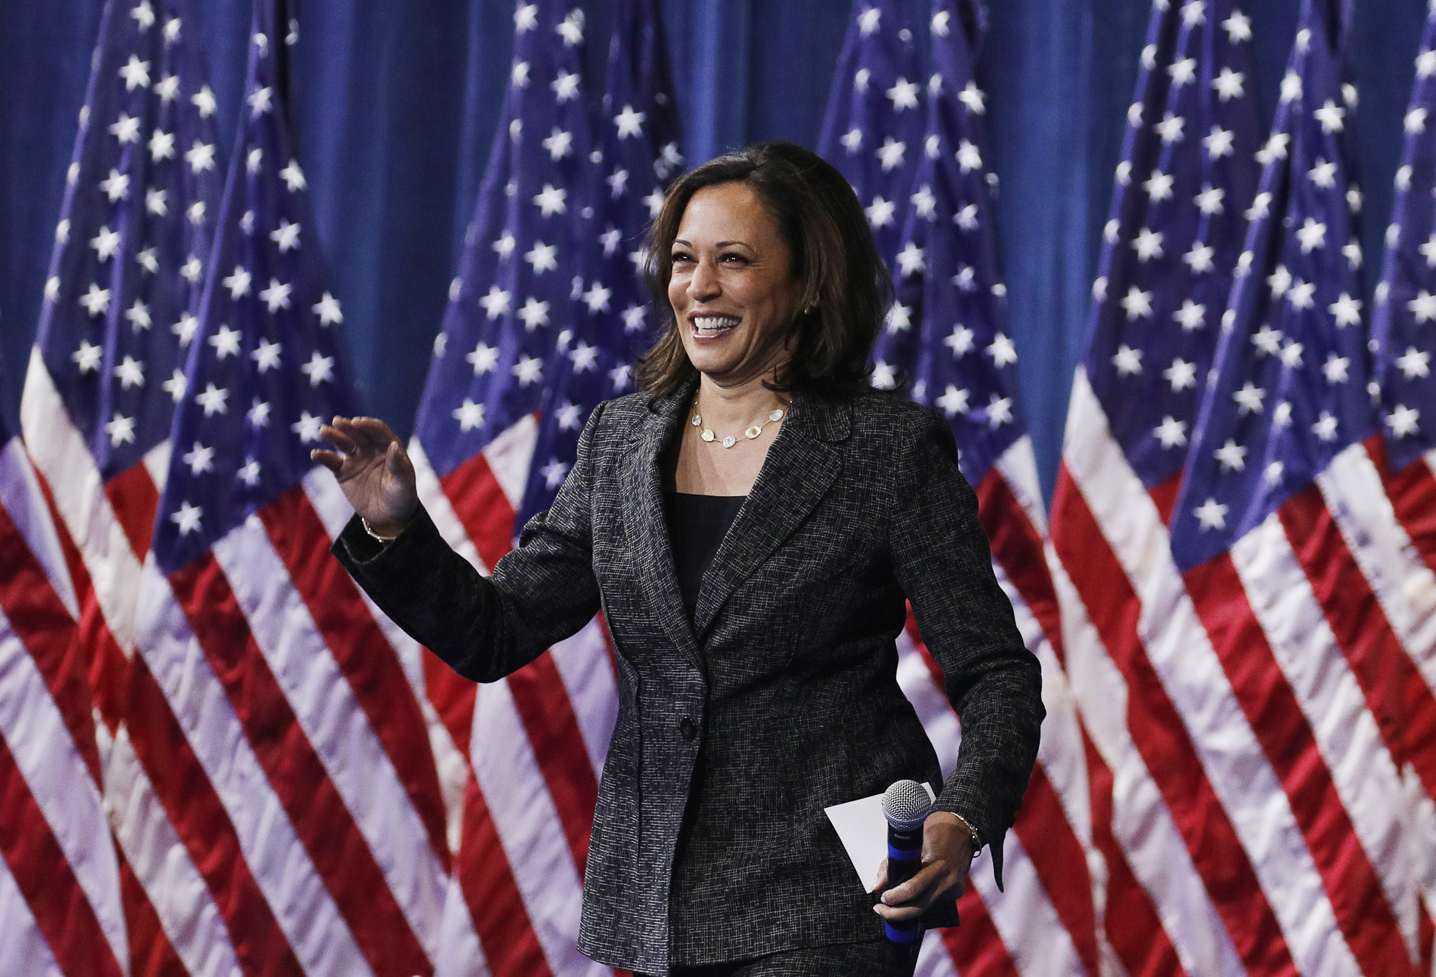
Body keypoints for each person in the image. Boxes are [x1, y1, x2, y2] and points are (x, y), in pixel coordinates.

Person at [314, 141, 1044, 976]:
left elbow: (997, 672)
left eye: (733, 260)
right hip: (654, 897)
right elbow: (497, 631)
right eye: (685, 259)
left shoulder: (886, 452)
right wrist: (399, 530)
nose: (699, 286)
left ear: (808, 285)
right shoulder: (621, 440)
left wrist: (964, 816)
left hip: (825, 899)